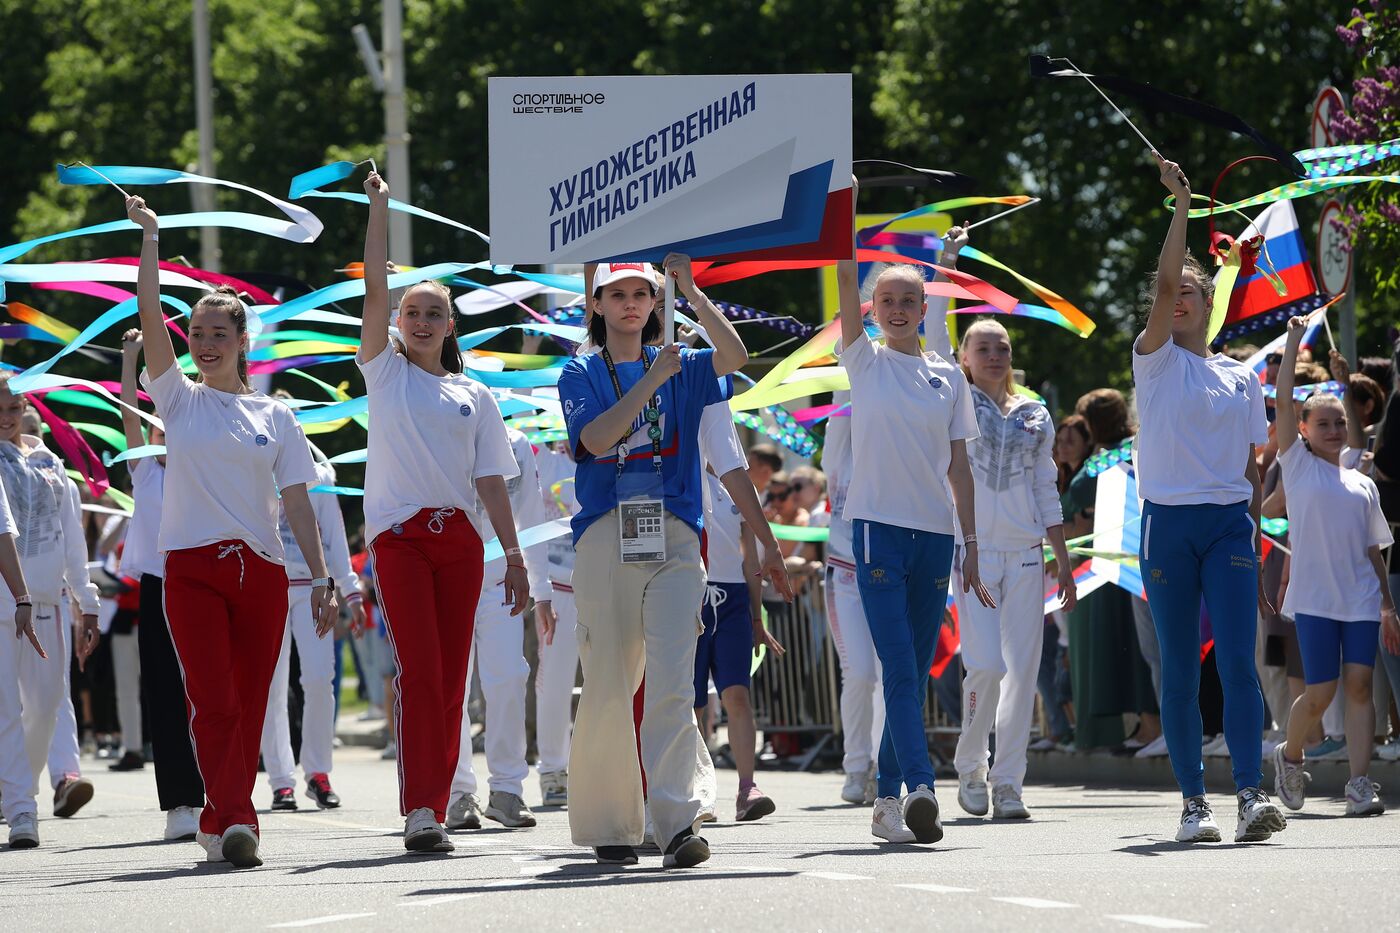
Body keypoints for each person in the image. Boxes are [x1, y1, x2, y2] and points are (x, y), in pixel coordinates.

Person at [127, 195, 338, 869]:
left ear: (243, 341)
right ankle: (240, 817)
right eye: (198, 332)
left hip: (262, 573)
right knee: (213, 700)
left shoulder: (275, 415)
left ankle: (219, 815)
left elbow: (299, 503)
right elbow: (149, 316)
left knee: (247, 706)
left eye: (220, 332)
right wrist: (153, 240)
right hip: (190, 571)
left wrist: (324, 575)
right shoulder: (178, 399)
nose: (206, 342)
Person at [558, 255, 751, 868]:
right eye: (617, 295)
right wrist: (649, 380)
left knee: (673, 682)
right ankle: (612, 822)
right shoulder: (578, 370)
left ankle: (675, 824)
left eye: (643, 294)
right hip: (605, 536)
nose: (632, 304)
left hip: (674, 537)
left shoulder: (685, 362)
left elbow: (737, 356)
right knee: (611, 683)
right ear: (597, 305)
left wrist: (691, 292)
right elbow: (594, 440)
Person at [357, 171, 529, 854]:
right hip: (399, 540)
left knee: (454, 677)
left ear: (450, 325)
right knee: (420, 672)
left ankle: (437, 798)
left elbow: (492, 482)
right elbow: (373, 281)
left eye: (434, 313)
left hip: (461, 542)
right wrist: (379, 208)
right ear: (396, 323)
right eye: (411, 312)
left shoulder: (475, 394)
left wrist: (513, 557)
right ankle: (421, 808)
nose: (421, 321)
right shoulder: (384, 370)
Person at [1132, 154, 1285, 844]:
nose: (1183, 297)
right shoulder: (1153, 356)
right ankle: (1195, 801)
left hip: (1227, 527)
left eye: (1196, 291)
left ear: (1211, 302)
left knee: (1237, 662)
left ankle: (1252, 793)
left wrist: (1255, 543)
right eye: (1177, 293)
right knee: (1179, 667)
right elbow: (1164, 280)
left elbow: (1254, 469)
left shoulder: (1240, 376)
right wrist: (1182, 207)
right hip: (1167, 525)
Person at [835, 183, 994, 846]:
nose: (897, 309)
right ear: (871, 311)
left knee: (916, 665)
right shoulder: (862, 360)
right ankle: (922, 787)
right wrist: (841, 215)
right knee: (898, 667)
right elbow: (843, 274)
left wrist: (972, 540)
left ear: (923, 308)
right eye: (886, 301)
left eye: (909, 300)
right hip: (876, 533)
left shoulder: (948, 377)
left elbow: (959, 466)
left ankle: (883, 800)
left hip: (936, 538)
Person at [1270, 315, 1396, 816]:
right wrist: (1295, 338)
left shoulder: (1361, 483)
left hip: (1362, 599)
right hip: (1317, 599)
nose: (1333, 429)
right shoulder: (1296, 467)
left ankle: (1359, 784)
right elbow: (1282, 400)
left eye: (1339, 422)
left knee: (1361, 688)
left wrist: (1387, 604)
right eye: (1322, 423)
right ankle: (1292, 755)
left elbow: (1373, 549)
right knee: (1320, 694)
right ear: (1301, 431)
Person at [953, 317, 1077, 820]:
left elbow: (1046, 486)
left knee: (1022, 674)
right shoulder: (956, 404)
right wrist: (947, 259)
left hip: (1027, 554)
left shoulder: (1036, 413)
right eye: (982, 348)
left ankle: (1008, 782)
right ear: (965, 357)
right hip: (975, 554)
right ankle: (970, 763)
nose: (994, 356)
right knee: (987, 664)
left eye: (1001, 347)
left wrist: (1061, 557)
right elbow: (935, 343)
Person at [0, 378, 103, 848]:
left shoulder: (49, 463)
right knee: (5, 709)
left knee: (44, 709)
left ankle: (20, 787)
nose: (7, 416)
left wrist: (86, 599)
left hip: (48, 602)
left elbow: (71, 534)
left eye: (14, 406)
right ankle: (22, 808)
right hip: (3, 601)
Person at [446, 425, 555, 832]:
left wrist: (542, 590)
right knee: (452, 686)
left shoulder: (517, 443)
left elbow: (532, 517)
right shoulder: (434, 428)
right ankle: (457, 793)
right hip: (447, 577)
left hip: (500, 583)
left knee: (509, 677)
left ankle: (507, 788)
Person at [118, 329, 204, 841]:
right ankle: (180, 804)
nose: (162, 434)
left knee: (210, 692)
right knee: (167, 694)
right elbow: (129, 414)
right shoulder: (147, 474)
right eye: (157, 428)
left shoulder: (206, 471)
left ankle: (219, 793)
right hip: (158, 590)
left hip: (205, 584)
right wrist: (131, 362)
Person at [694, 402, 788, 823]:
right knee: (692, 703)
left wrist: (755, 619)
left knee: (737, 695)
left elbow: (751, 561)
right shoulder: (685, 481)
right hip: (690, 596)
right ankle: (699, 790)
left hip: (731, 601)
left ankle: (747, 788)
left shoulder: (739, 491)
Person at [261, 453, 364, 812]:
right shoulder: (252, 463)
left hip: (311, 587)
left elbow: (333, 534)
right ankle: (280, 781)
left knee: (320, 678)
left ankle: (318, 772)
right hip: (267, 587)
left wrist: (350, 590)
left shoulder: (317, 473)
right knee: (272, 685)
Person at [822, 390, 883, 805]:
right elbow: (846, 398)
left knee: (890, 674)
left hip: (893, 571)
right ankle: (857, 766)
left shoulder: (901, 442)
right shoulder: (839, 451)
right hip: (845, 570)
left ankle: (883, 764)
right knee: (860, 672)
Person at [533, 441, 581, 807]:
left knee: (611, 683)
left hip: (602, 583)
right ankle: (552, 769)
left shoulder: (610, 452)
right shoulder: (543, 461)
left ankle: (600, 769)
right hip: (557, 590)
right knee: (555, 682)